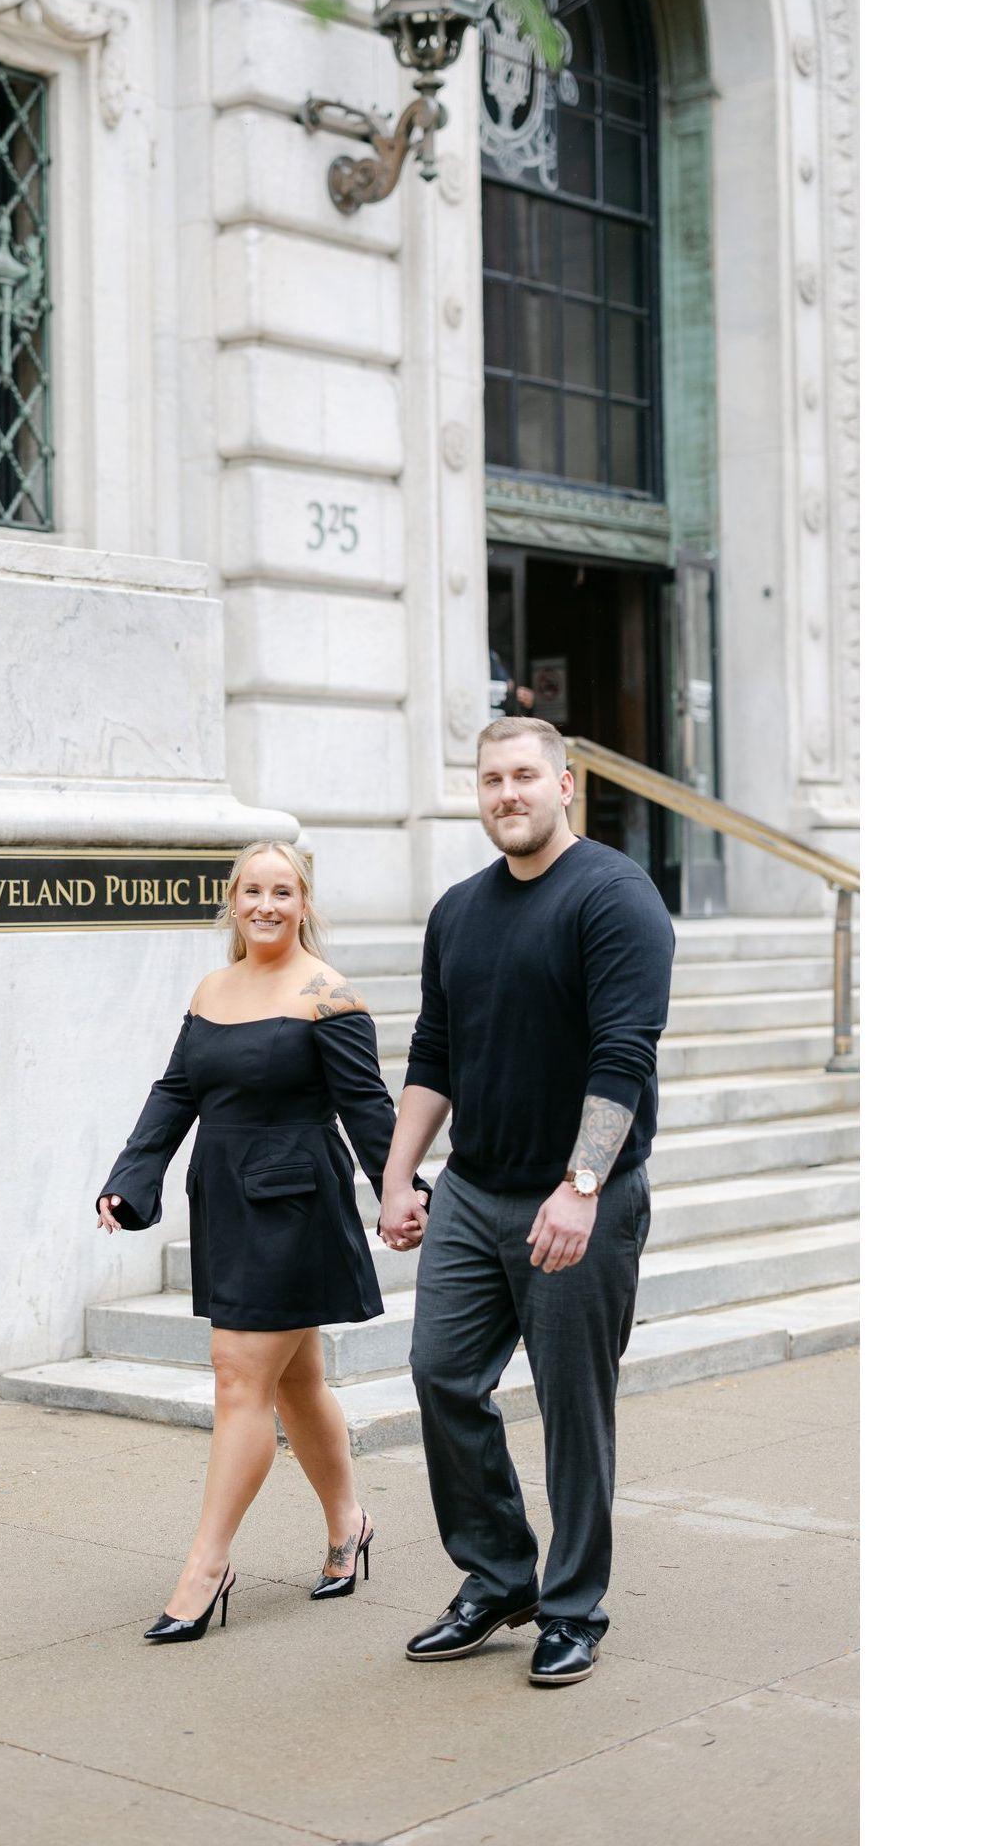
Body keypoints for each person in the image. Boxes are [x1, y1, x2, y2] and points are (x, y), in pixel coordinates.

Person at [377, 716, 674, 1688]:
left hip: (580, 1197)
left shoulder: (614, 895)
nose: (507, 793)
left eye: (524, 776)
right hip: (472, 1190)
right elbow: (433, 1051)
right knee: (440, 1374)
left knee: (571, 1409)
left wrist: (580, 1186)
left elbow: (622, 1054)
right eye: (491, 779)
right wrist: (397, 1174)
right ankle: (499, 1574)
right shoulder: (457, 911)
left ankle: (572, 1605)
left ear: (564, 784)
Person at [95, 840, 428, 1643]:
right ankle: (349, 1523)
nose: (266, 905)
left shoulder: (327, 995)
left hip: (294, 1208)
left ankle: (205, 1567)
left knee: (239, 1376)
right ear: (233, 902)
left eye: (283, 891)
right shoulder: (213, 989)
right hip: (226, 1202)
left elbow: (367, 1108)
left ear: (304, 903)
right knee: (296, 1382)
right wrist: (131, 1178)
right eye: (252, 891)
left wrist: (402, 1190)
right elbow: (175, 1092)